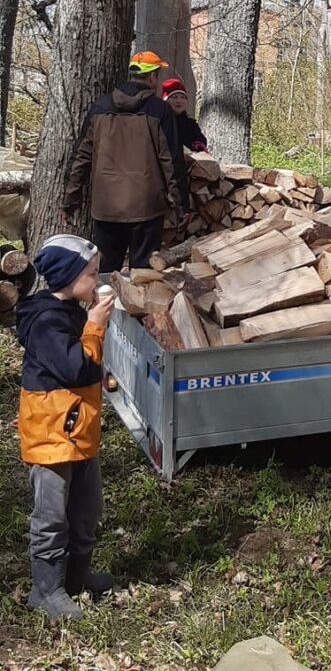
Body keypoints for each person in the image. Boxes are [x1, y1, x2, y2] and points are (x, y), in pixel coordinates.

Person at [16, 235, 115, 620]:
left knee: (87, 510)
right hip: (53, 438)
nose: (97, 281)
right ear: (68, 276)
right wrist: (94, 327)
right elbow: (77, 368)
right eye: (91, 274)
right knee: (51, 518)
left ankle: (76, 578)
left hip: (78, 433)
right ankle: (46, 590)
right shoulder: (46, 322)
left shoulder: (71, 310)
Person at [63, 51, 188, 273]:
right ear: (152, 77)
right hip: (146, 207)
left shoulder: (100, 107)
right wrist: (181, 206)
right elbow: (172, 161)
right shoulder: (160, 110)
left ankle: (104, 297)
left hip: (106, 206)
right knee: (143, 276)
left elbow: (81, 156)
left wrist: (70, 200)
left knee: (104, 273)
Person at [162, 77, 208, 153]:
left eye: (182, 97)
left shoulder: (190, 123)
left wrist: (198, 144)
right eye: (174, 97)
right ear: (166, 101)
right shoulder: (160, 121)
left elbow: (197, 137)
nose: (179, 101)